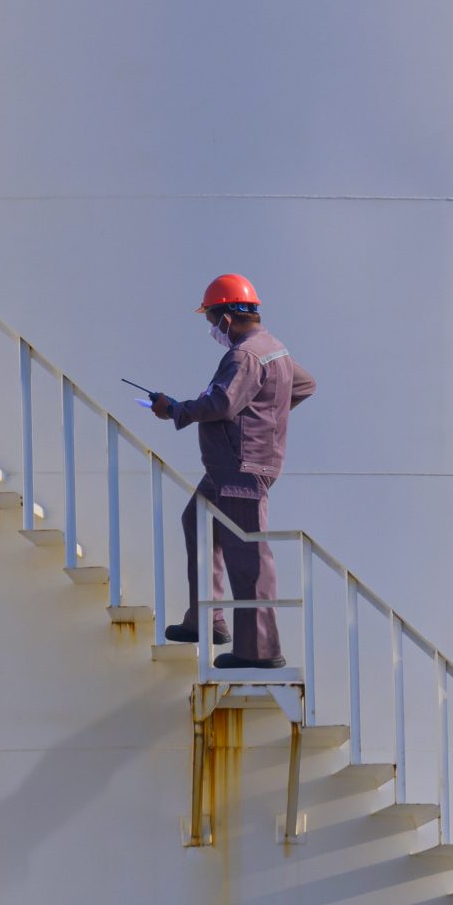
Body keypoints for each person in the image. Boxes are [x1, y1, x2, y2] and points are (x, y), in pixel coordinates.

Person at [148, 273, 315, 669]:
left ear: (228, 316)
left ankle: (260, 651)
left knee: (248, 554)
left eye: (211, 320)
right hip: (230, 466)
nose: (211, 328)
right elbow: (305, 385)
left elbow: (222, 403)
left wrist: (174, 409)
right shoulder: (275, 349)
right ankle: (207, 620)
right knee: (197, 521)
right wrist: (266, 415)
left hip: (241, 467)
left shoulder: (244, 355)